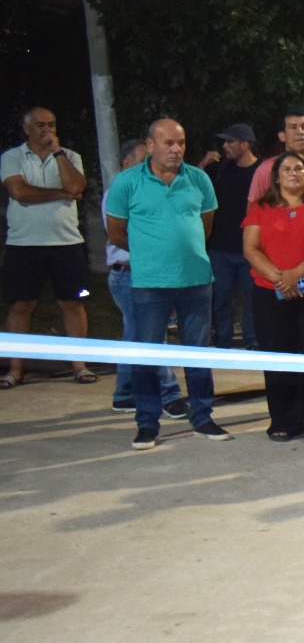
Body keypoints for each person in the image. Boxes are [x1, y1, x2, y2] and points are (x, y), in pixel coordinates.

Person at [104, 118, 233, 449]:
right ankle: (147, 423)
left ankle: (202, 418)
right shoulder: (127, 183)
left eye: (181, 142)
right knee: (147, 353)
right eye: (168, 143)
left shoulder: (198, 179)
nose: (176, 149)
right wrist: (152, 253)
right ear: (150, 145)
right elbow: (116, 231)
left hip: (196, 280)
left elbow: (206, 225)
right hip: (150, 282)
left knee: (198, 353)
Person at [243, 151, 304, 442]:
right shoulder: (261, 207)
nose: (293, 173)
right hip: (270, 293)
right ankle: (283, 420)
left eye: (299, 168)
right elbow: (250, 248)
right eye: (286, 168)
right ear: (275, 176)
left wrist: (294, 275)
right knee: (278, 358)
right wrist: (279, 279)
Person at [2, 106, 94, 387]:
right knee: (21, 304)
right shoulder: (12, 157)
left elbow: (77, 187)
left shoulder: (70, 156)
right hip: (24, 243)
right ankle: (15, 369)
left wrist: (58, 154)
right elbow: (20, 193)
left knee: (72, 303)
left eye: (52, 124)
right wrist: (62, 194)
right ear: (26, 128)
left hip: (66, 243)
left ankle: (79, 365)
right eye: (40, 125)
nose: (47, 130)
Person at [105, 139, 186, 417]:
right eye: (142, 160)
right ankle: (169, 394)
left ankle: (125, 393)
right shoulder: (123, 189)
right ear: (126, 162)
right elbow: (121, 234)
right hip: (129, 273)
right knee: (151, 337)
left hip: (142, 272)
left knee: (135, 335)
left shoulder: (148, 187)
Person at [198, 122, 259, 350]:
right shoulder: (220, 170)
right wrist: (203, 164)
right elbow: (193, 186)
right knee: (220, 298)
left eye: (230, 141)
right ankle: (223, 339)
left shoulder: (260, 170)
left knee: (251, 298)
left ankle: (252, 339)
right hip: (220, 248)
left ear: (244, 144)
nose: (225, 146)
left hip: (250, 248)